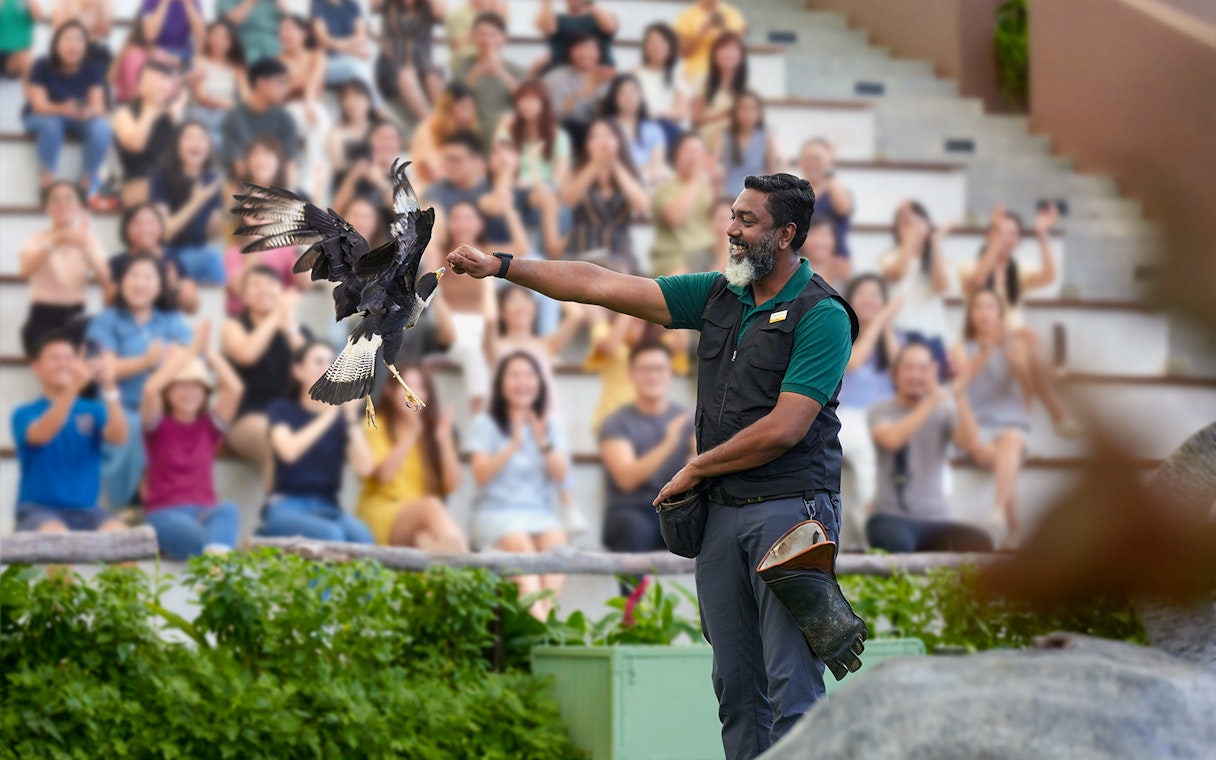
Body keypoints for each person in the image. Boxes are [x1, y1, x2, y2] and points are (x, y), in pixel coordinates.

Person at [446, 172, 864, 759]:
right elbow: (598, 284)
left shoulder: (823, 315)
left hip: (791, 515)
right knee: (736, 692)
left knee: (793, 689)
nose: (732, 229)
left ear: (788, 233)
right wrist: (503, 265)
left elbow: (786, 427)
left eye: (748, 221)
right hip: (723, 516)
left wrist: (695, 469)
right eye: (732, 216)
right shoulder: (721, 294)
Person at [960, 202, 1081, 438]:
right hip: (982, 337)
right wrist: (994, 244)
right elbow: (975, 282)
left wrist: (1042, 235)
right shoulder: (971, 266)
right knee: (1026, 339)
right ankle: (1056, 414)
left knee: (1024, 349)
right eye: (1000, 233)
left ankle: (1023, 430)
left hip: (1017, 340)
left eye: (1013, 234)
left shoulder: (1020, 269)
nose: (1006, 239)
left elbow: (1049, 276)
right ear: (988, 236)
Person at [85, 253, 194, 509]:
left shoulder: (172, 321)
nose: (140, 282)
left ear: (159, 285)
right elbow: (104, 367)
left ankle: (170, 503)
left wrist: (172, 360)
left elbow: (191, 357)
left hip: (162, 406)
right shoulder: (106, 320)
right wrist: (146, 361)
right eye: (133, 275)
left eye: (148, 276)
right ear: (121, 282)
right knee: (134, 427)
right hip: (117, 407)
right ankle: (126, 503)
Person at [468, 350, 570, 619]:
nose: (522, 381)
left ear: (539, 383)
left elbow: (562, 476)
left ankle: (544, 620)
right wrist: (513, 443)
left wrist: (542, 442)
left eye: (528, 375)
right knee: (522, 546)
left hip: (540, 513)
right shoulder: (486, 423)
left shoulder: (551, 425)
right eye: (515, 375)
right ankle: (541, 627)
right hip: (496, 513)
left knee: (558, 545)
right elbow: (480, 476)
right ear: (501, 384)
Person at [866, 341, 993, 553]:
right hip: (890, 516)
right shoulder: (879, 410)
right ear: (894, 373)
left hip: (937, 518)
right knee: (898, 546)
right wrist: (932, 400)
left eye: (923, 369)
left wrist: (960, 396)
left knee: (980, 542)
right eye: (909, 368)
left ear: (934, 373)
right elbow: (892, 440)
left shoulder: (943, 410)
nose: (916, 375)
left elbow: (970, 443)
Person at [140, 322, 244, 559]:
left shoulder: (208, 426)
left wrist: (207, 352)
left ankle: (215, 566)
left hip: (204, 512)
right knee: (205, 540)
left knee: (228, 510)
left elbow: (235, 389)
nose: (189, 392)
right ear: (169, 391)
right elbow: (149, 390)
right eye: (181, 386)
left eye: (196, 386)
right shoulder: (158, 425)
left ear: (205, 393)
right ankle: (218, 567)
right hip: (164, 514)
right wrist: (191, 350)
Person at [260, 340, 376, 543]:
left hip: (327, 507)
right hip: (286, 505)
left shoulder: (341, 418)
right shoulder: (281, 410)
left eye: (332, 363)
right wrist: (329, 415)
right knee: (330, 535)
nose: (327, 369)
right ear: (298, 371)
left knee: (363, 537)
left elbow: (365, 469)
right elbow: (288, 451)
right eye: (318, 362)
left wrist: (349, 419)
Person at [12, 333, 128, 533]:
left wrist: (109, 386)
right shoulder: (24, 413)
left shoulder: (93, 410)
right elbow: (41, 434)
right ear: (36, 366)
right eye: (54, 358)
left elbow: (119, 437)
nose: (64, 364)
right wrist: (73, 387)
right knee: (57, 540)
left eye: (69, 358)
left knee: (123, 539)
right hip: (38, 511)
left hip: (88, 511)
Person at [950, 288, 1033, 548]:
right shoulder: (961, 347)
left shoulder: (1014, 346)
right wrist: (987, 349)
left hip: (1008, 421)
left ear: (1000, 313)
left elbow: (1027, 383)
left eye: (990, 307)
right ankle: (1014, 527)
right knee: (1004, 459)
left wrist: (1006, 347)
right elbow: (962, 381)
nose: (984, 313)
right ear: (971, 314)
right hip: (975, 422)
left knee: (1013, 437)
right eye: (978, 307)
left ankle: (998, 509)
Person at [355, 364, 468, 549]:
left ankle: (455, 575)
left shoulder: (432, 433)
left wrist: (444, 441)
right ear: (391, 391)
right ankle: (472, 568)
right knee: (431, 506)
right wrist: (411, 433)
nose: (412, 393)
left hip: (419, 519)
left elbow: (452, 485)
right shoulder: (376, 424)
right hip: (382, 512)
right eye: (406, 386)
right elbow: (384, 476)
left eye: (420, 387)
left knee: (426, 541)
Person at [600, 341, 694, 555]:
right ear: (631, 374)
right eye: (645, 369)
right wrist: (669, 442)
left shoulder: (688, 419)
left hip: (676, 510)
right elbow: (627, 480)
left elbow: (702, 464)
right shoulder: (616, 423)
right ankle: (634, 590)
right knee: (631, 526)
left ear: (670, 372)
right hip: (631, 511)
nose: (652, 376)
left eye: (659, 369)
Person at [221, 265, 307, 470]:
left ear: (281, 290)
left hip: (291, 412)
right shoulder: (233, 326)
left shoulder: (296, 330)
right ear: (243, 295)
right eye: (255, 285)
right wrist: (276, 316)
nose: (263, 290)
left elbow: (314, 372)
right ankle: (280, 502)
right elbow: (246, 355)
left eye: (270, 284)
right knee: (277, 444)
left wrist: (291, 330)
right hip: (247, 415)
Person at [836, 274, 900, 550]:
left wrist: (886, 327)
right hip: (847, 416)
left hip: (885, 418)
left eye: (876, 295)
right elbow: (853, 362)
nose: (870, 300)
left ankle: (879, 533)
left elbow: (903, 375)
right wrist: (877, 324)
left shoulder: (895, 338)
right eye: (863, 293)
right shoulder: (840, 330)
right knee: (867, 449)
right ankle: (876, 537)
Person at [22, 21, 113, 206]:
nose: (73, 45)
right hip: (42, 115)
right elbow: (39, 105)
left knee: (102, 129)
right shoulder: (42, 65)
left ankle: (87, 185)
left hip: (76, 116)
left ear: (85, 46)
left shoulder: (92, 68)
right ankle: (47, 183)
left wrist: (88, 111)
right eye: (67, 40)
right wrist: (63, 108)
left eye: (78, 40)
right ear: (56, 45)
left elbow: (99, 106)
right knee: (52, 124)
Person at [19, 182, 112, 357]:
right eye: (55, 199)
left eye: (69, 198)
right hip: (42, 314)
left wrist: (85, 247)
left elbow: (105, 277)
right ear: (47, 207)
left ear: (79, 206)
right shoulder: (37, 238)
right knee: (48, 369)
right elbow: (25, 270)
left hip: (75, 314)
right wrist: (57, 240)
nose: (62, 203)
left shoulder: (89, 239)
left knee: (77, 370)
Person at [557, 118, 650, 273]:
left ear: (618, 141)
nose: (602, 141)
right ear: (587, 144)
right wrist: (595, 165)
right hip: (581, 251)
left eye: (607, 135)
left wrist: (614, 165)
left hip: (619, 255)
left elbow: (643, 205)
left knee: (617, 275)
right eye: (595, 137)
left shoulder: (627, 174)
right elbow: (568, 200)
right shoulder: (577, 172)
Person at [880, 200, 952, 375]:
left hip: (933, 336)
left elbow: (941, 287)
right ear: (897, 229)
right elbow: (898, 272)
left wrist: (934, 247)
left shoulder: (938, 259)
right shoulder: (888, 256)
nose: (913, 227)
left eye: (917, 221)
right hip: (899, 334)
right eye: (905, 222)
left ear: (928, 226)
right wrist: (908, 241)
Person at [150, 121, 226, 284]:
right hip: (167, 253)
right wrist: (196, 201)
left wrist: (229, 210)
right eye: (188, 138)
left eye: (201, 138)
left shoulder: (211, 180)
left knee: (219, 256)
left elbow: (212, 235)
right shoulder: (161, 177)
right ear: (177, 145)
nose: (195, 143)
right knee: (211, 257)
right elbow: (165, 233)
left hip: (197, 252)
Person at [220, 57, 299, 189]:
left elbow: (291, 164)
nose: (285, 89)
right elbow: (238, 167)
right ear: (261, 83)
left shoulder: (285, 117)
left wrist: (285, 196)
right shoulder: (234, 118)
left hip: (280, 190)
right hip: (245, 190)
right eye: (280, 82)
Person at [278, 14, 332, 204]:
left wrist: (307, 98)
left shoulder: (317, 55)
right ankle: (295, 190)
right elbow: (279, 93)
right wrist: (296, 83)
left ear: (304, 33)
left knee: (320, 121)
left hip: (312, 106)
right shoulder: (277, 61)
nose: (286, 34)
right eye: (283, 30)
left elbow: (314, 80)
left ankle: (313, 191)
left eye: (291, 29)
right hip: (287, 110)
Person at [108, 202, 199, 314]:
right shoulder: (116, 263)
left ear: (161, 227)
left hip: (165, 325)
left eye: (151, 222)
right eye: (137, 223)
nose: (144, 228)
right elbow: (107, 304)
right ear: (126, 229)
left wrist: (175, 287)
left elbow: (192, 307)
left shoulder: (172, 262)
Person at [112, 61, 181, 208]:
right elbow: (135, 145)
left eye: (163, 80)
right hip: (138, 180)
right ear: (139, 85)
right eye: (151, 80)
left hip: (172, 179)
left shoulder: (173, 115)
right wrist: (150, 109)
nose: (157, 86)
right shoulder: (124, 113)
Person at [456, 11, 526, 150]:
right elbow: (454, 100)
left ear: (504, 38)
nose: (487, 40)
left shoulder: (517, 70)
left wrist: (500, 72)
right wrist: (474, 75)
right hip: (472, 126)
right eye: (481, 34)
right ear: (473, 37)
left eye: (493, 34)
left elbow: (527, 99)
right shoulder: (463, 67)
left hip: (507, 129)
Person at [649, 132, 715, 276]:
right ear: (676, 156)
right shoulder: (664, 190)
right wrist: (696, 178)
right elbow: (674, 218)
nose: (694, 157)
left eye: (698, 151)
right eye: (688, 151)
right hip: (674, 258)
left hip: (707, 258)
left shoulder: (710, 188)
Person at [372, 0, 444, 121]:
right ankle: (430, 125)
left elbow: (441, 13)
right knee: (406, 75)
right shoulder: (390, 5)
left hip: (422, 64)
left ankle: (445, 124)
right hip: (392, 65)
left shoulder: (426, 8)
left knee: (433, 78)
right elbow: (374, 4)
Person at [541, 31, 613, 153]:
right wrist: (587, 89)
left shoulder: (607, 77)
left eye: (591, 48)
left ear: (599, 53)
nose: (585, 53)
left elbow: (610, 115)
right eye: (580, 48)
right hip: (565, 132)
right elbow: (557, 116)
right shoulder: (555, 78)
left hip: (598, 134)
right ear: (570, 51)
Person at [495, 78, 572, 190]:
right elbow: (496, 162)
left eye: (531, 99)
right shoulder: (510, 130)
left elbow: (558, 181)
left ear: (544, 103)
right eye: (521, 99)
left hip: (543, 192)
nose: (524, 104)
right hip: (513, 189)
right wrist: (501, 126)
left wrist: (532, 186)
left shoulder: (559, 136)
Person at [186, 20, 247, 148]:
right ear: (209, 37)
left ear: (232, 42)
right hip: (203, 112)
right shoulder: (199, 61)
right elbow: (200, 97)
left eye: (225, 38)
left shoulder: (237, 67)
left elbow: (246, 95)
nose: (219, 41)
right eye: (215, 35)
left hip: (229, 114)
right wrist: (226, 104)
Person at [601, 73, 668, 188]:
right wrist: (640, 169)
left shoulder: (653, 128)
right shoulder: (605, 128)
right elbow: (607, 165)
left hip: (650, 179)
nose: (629, 97)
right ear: (614, 98)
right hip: (617, 183)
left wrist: (634, 170)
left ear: (640, 96)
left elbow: (657, 165)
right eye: (623, 93)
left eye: (633, 92)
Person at [794, 138, 854, 264]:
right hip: (800, 264)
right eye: (808, 158)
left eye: (817, 159)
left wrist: (829, 171)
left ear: (828, 162)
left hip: (834, 263)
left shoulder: (837, 192)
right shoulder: (793, 194)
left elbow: (844, 209)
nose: (812, 164)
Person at [408, 81, 479, 187]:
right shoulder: (427, 130)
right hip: (431, 189)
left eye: (471, 109)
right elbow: (430, 171)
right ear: (448, 108)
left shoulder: (469, 132)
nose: (468, 115)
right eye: (463, 108)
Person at [713, 90, 781, 197]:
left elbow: (773, 171)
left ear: (759, 113)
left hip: (757, 195)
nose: (747, 113)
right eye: (743, 108)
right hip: (728, 195)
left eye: (752, 109)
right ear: (735, 111)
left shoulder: (766, 137)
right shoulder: (723, 136)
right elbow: (713, 166)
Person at [634, 22, 688, 147]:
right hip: (644, 129)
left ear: (671, 45)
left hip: (671, 129)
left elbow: (680, 113)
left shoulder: (679, 69)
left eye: (663, 41)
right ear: (645, 46)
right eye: (651, 41)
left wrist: (658, 114)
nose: (657, 46)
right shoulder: (636, 71)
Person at [310, 0, 378, 100]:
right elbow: (323, 39)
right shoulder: (319, 5)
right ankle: (379, 108)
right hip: (329, 60)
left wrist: (347, 49)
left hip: (351, 54)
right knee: (357, 66)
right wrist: (351, 51)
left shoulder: (352, 5)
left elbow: (361, 36)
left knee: (365, 62)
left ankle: (368, 108)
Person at [690, 31, 746, 145]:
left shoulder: (747, 86)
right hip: (707, 139)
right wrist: (721, 116)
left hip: (735, 142)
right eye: (724, 49)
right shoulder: (701, 80)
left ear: (741, 55)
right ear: (714, 54)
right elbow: (695, 119)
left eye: (734, 49)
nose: (729, 53)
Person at [673, 0, 746, 86]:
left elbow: (738, 46)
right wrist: (702, 33)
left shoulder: (732, 13)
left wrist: (723, 28)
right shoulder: (686, 15)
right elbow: (683, 52)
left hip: (725, 74)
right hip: (695, 73)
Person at [537, 0, 616, 72]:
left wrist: (590, 4)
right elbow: (546, 28)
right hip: (562, 71)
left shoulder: (599, 16)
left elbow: (610, 27)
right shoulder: (558, 19)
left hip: (600, 71)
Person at [326, 79, 380, 175]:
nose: (351, 102)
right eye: (346, 97)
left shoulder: (380, 128)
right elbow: (338, 166)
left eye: (357, 96)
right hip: (348, 181)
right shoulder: (337, 131)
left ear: (368, 101)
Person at [444, 0, 508, 69]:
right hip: (464, 62)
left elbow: (502, 36)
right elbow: (456, 44)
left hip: (492, 60)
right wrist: (478, 28)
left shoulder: (497, 9)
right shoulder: (459, 14)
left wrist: (497, 14)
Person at [217, 0, 283, 63]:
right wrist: (249, 2)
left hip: (273, 43)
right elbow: (229, 21)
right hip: (246, 44)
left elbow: (287, 19)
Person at [140, 0, 206, 62]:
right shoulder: (150, 1)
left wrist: (188, 3)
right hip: (158, 56)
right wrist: (164, 3)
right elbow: (150, 36)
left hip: (185, 55)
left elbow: (201, 35)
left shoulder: (193, 2)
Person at [0, 0, 45, 81]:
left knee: (27, 60)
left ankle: (30, 91)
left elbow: (39, 17)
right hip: (2, 50)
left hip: (18, 53)